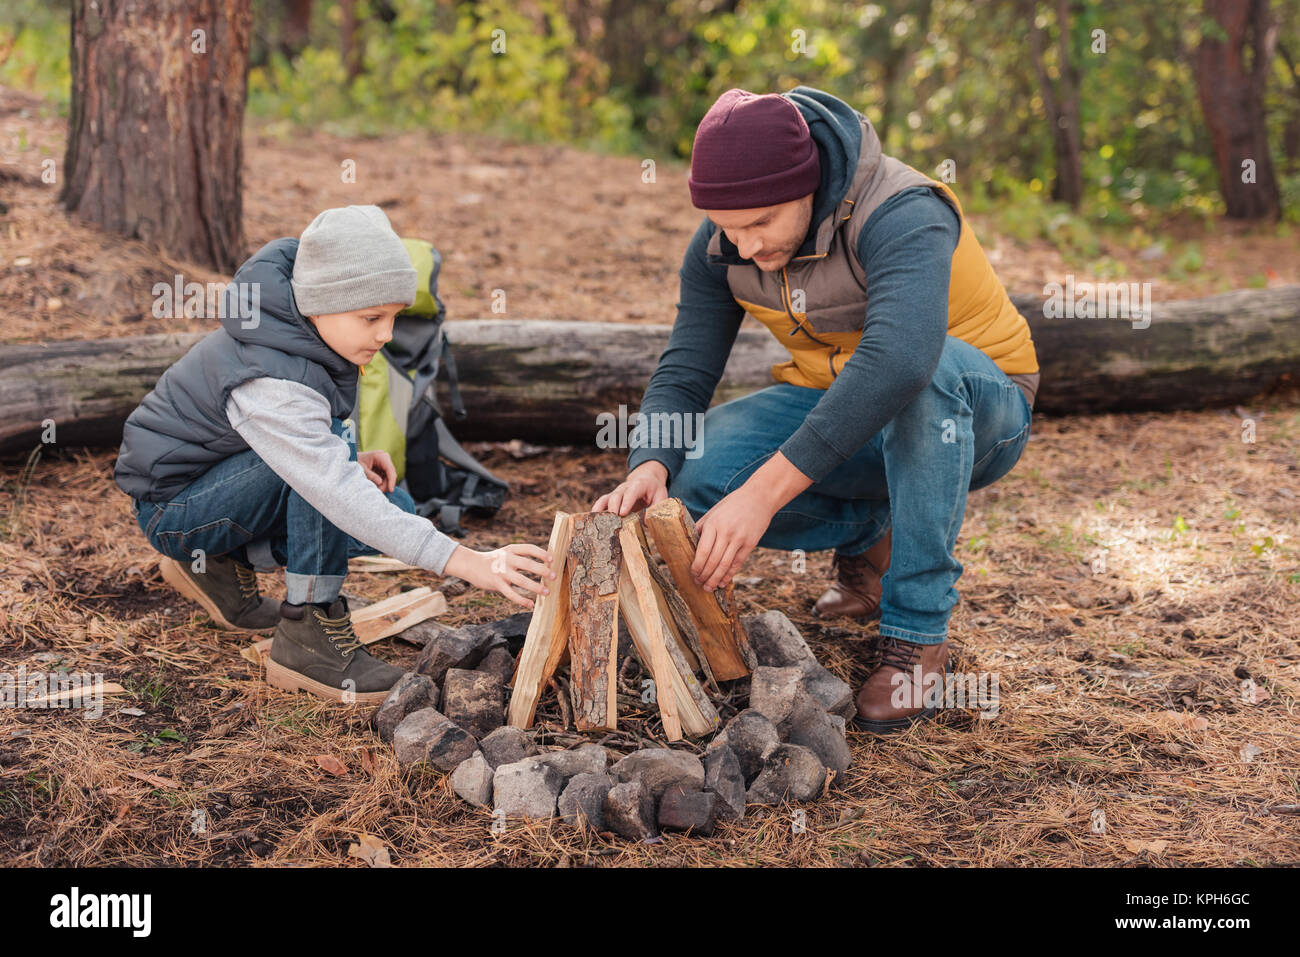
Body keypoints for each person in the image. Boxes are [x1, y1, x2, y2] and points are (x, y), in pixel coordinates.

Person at [592, 87, 1038, 734]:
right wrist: (650, 461)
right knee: (695, 472)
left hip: (978, 407)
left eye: (762, 224)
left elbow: (902, 361)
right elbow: (687, 364)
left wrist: (764, 493)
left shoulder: (905, 211)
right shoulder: (729, 236)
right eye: (728, 228)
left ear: (808, 186)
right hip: (842, 405)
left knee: (924, 376)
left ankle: (916, 630)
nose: (745, 247)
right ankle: (871, 538)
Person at [115, 205, 555, 705]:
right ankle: (308, 630)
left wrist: (352, 454)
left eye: (393, 317)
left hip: (215, 486)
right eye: (372, 317)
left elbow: (310, 437)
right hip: (176, 513)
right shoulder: (269, 380)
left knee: (396, 510)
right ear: (321, 303)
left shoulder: (299, 333)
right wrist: (464, 561)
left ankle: (213, 566)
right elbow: (324, 478)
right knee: (334, 490)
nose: (386, 334)